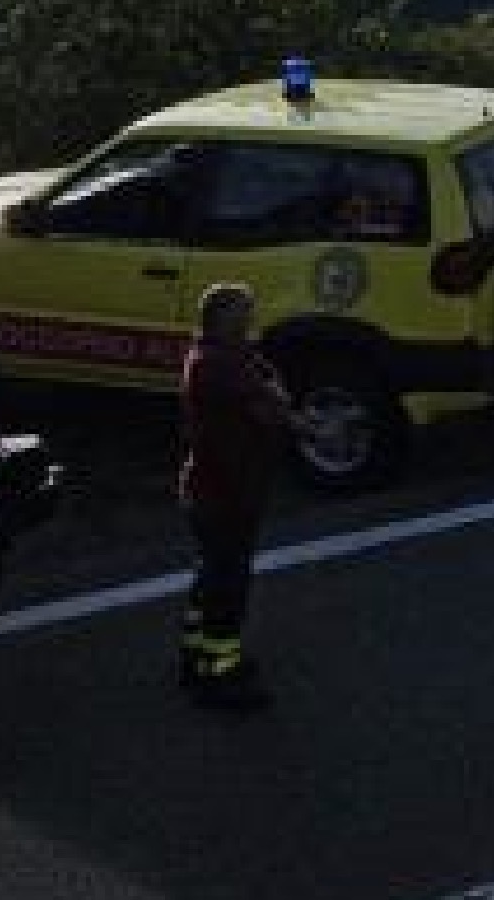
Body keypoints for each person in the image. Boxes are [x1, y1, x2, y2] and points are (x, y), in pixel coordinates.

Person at [177, 282, 295, 711]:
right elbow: (273, 405)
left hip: (216, 490)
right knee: (228, 584)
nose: (251, 321)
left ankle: (195, 655)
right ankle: (220, 671)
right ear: (225, 320)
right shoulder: (219, 367)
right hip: (226, 494)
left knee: (212, 575)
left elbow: (270, 383)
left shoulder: (220, 358)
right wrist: (277, 400)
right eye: (244, 314)